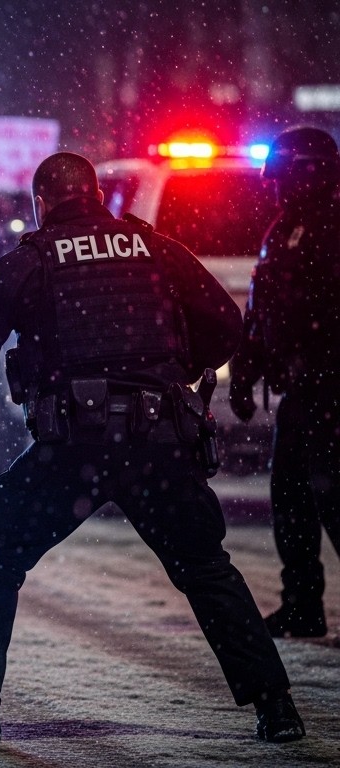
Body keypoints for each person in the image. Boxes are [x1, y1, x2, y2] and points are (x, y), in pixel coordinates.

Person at [0, 151, 303, 745]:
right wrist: (178, 370)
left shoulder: (32, 260)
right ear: (99, 195)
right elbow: (226, 323)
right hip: (159, 444)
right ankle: (276, 706)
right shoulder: (155, 247)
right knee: (205, 568)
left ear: (41, 202)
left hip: (75, 449)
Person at [229, 125, 340, 639]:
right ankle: (301, 604)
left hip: (331, 386)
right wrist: (246, 370)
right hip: (301, 389)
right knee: (292, 495)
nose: (274, 189)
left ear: (307, 173)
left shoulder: (332, 225)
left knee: (331, 494)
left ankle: (302, 602)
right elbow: (262, 310)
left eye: (282, 178)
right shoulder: (286, 227)